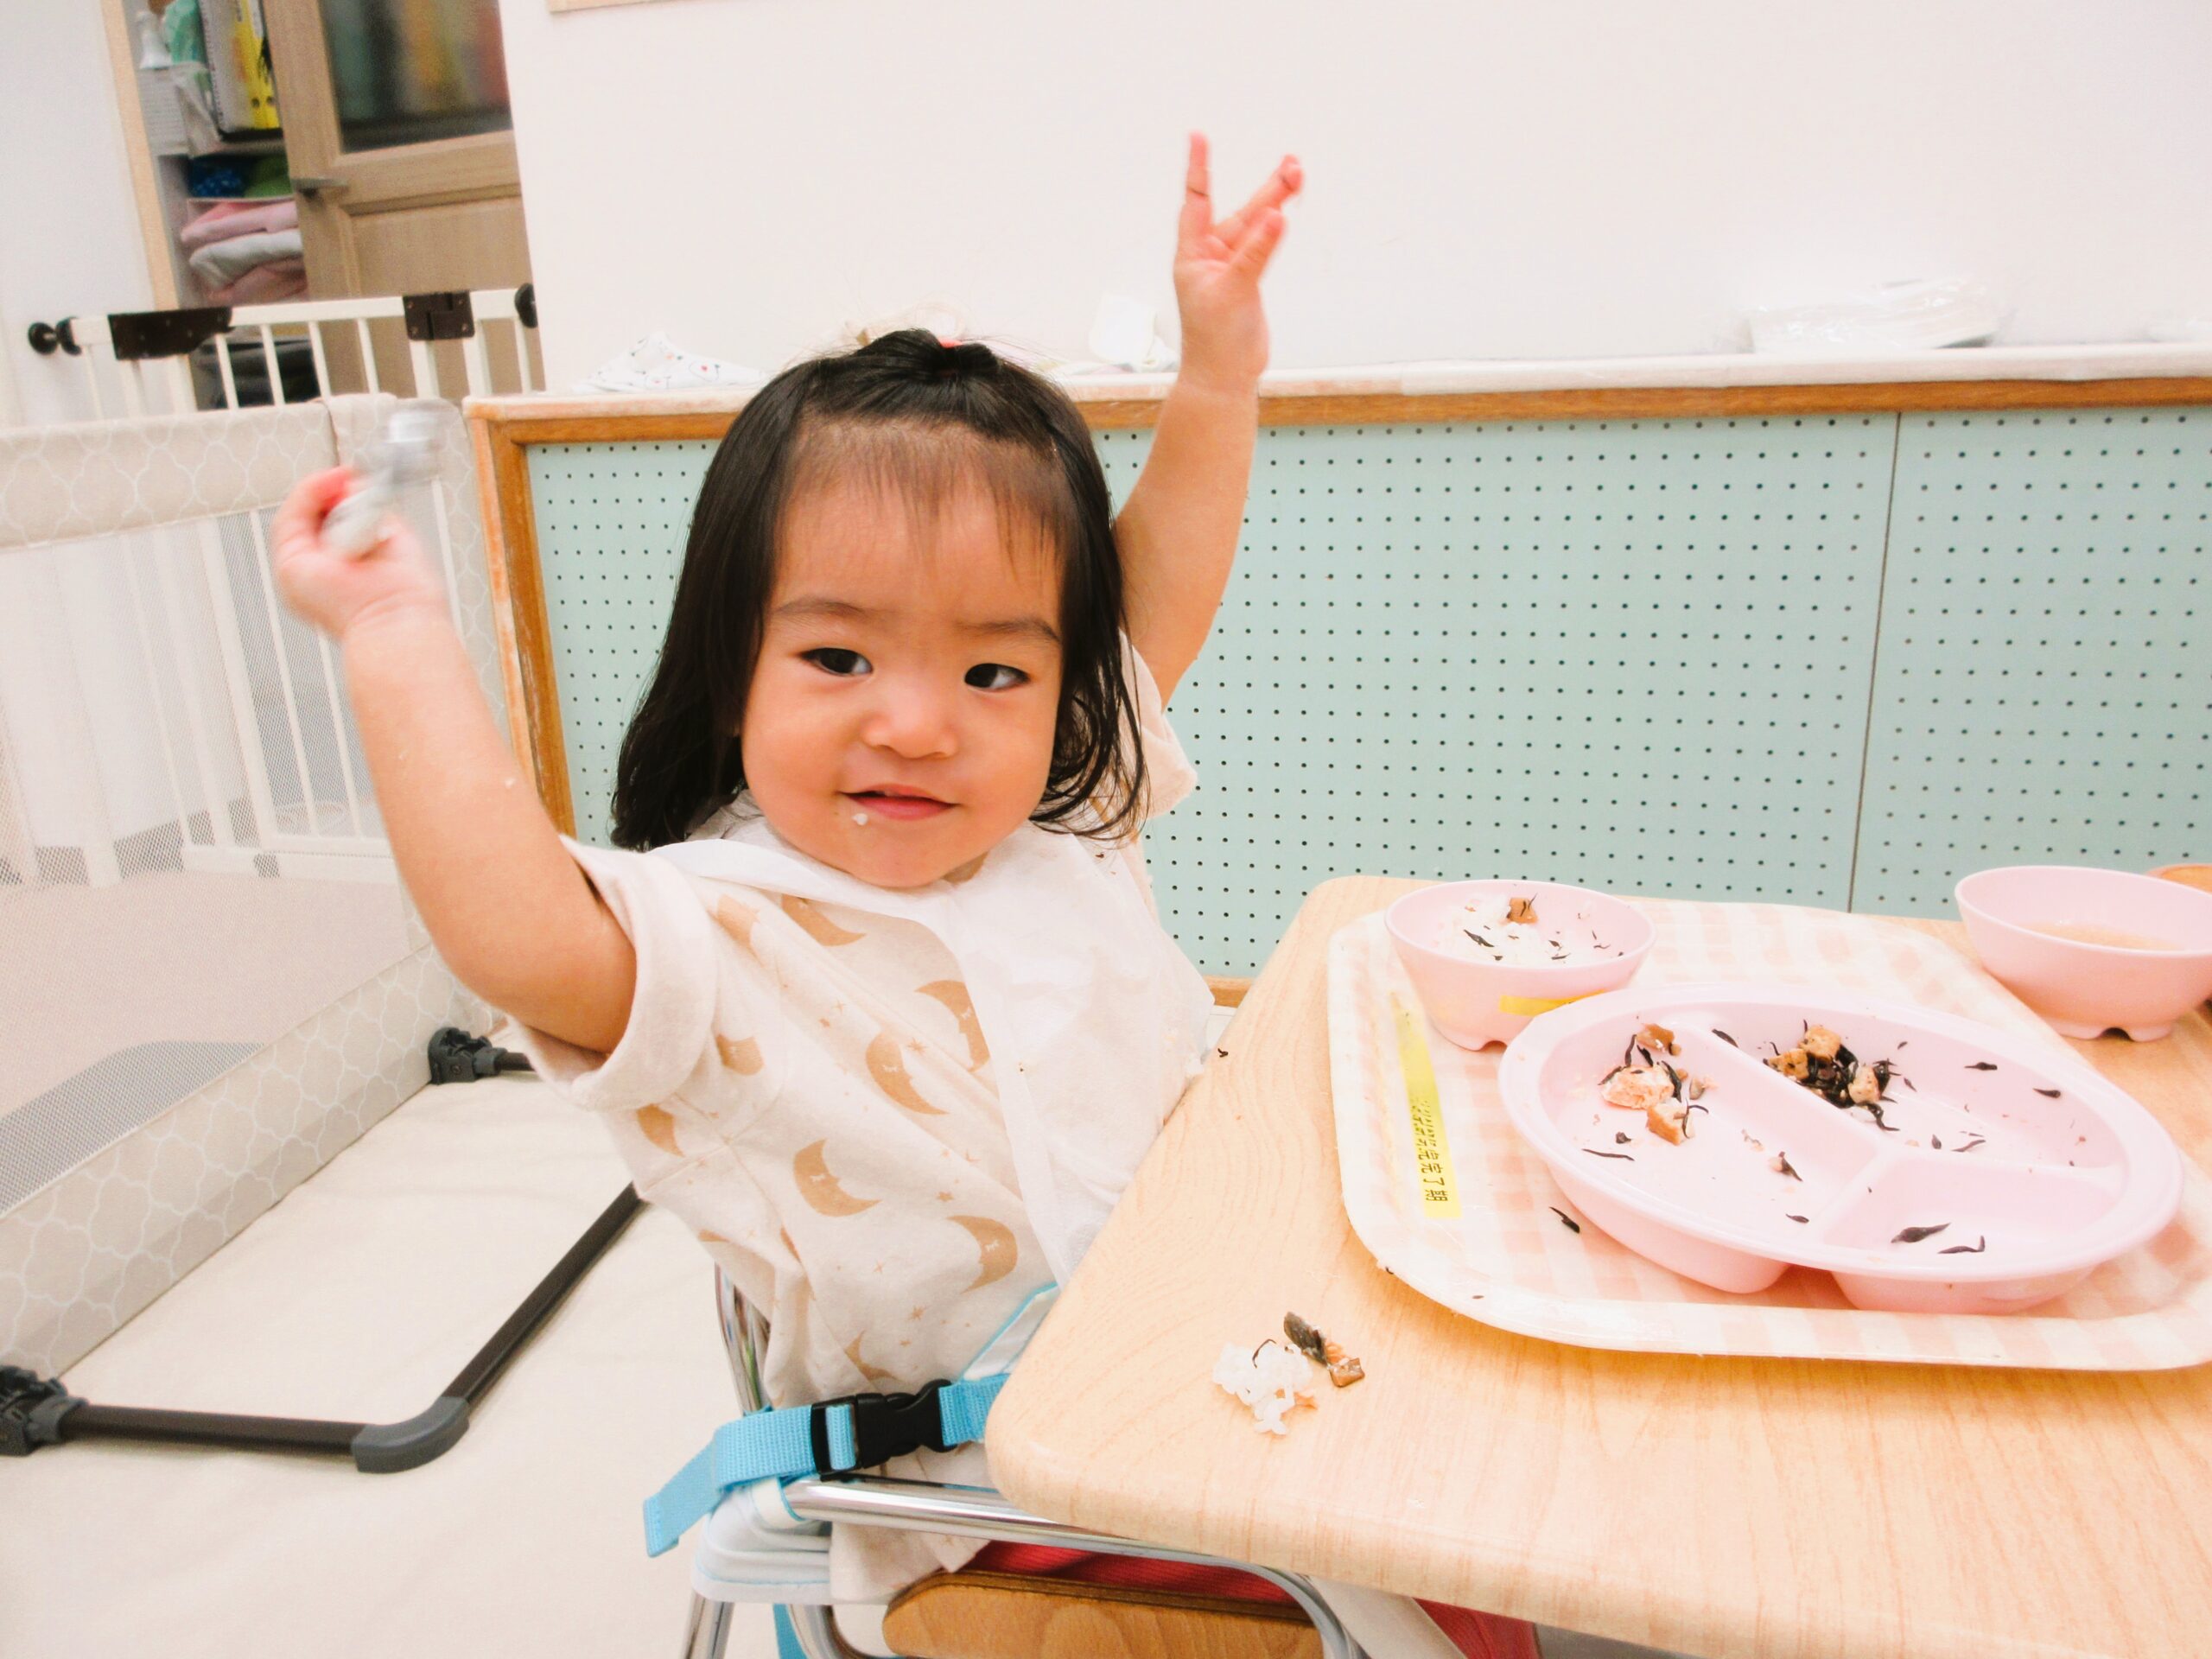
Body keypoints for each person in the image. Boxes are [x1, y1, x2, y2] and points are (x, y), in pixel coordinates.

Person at [273, 136, 1532, 1657]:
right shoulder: (717, 932)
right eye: (838, 657)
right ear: (731, 663)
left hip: (1219, 1366)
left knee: (1514, 1500)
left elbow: (1154, 592)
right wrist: (392, 627)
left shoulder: (1066, 819)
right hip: (1008, 1505)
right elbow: (516, 937)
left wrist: (1218, 374)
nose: (922, 725)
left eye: (995, 669)